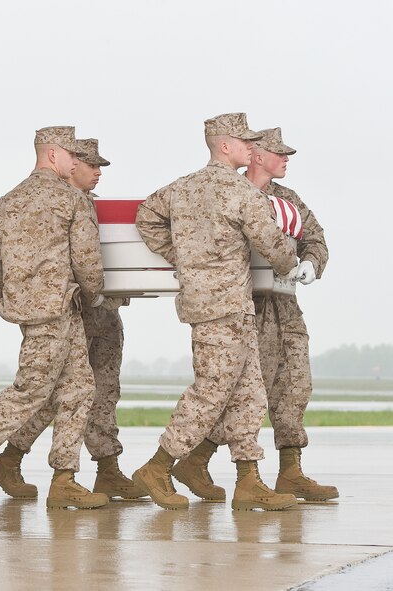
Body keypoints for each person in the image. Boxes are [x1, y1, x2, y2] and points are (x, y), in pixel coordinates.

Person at [133, 113, 298, 511]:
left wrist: (183, 257)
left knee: (249, 392)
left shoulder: (181, 188)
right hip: (226, 307)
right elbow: (273, 246)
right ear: (225, 146)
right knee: (211, 390)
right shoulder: (240, 192)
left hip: (209, 303)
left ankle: (248, 479)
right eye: (245, 143)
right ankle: (158, 466)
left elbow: (146, 217)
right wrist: (292, 261)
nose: (251, 148)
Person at [0, 126, 107, 509]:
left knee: (79, 388)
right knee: (30, 389)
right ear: (53, 154)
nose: (76, 162)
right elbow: (87, 262)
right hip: (58, 307)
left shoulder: (9, 200)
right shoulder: (71, 199)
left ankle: (64, 477)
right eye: (71, 155)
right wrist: (93, 296)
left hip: (34, 307)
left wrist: (14, 294)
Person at [179, 128, 336, 501]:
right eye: (278, 153)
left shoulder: (287, 198)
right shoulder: (229, 193)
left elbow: (315, 237)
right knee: (244, 391)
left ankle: (291, 471)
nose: (285, 159)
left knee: (296, 385)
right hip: (244, 305)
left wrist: (313, 262)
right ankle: (196, 459)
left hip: (285, 306)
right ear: (257, 155)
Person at [0, 139, 145, 501]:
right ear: (72, 165)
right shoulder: (58, 204)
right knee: (59, 394)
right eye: (90, 164)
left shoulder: (88, 206)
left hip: (102, 315)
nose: (98, 171)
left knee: (102, 392)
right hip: (70, 310)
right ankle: (12, 458)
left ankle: (106, 469)